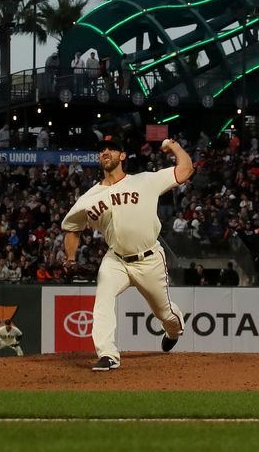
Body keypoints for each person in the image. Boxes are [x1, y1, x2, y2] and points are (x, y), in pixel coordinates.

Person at [61, 131, 192, 371]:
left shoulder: (144, 181)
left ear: (122, 155)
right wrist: (70, 258)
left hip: (149, 259)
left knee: (165, 313)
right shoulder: (89, 198)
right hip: (116, 259)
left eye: (110, 149)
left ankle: (174, 330)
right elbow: (72, 228)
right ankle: (108, 354)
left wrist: (173, 145)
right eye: (102, 150)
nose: (105, 152)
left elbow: (185, 170)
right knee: (102, 299)